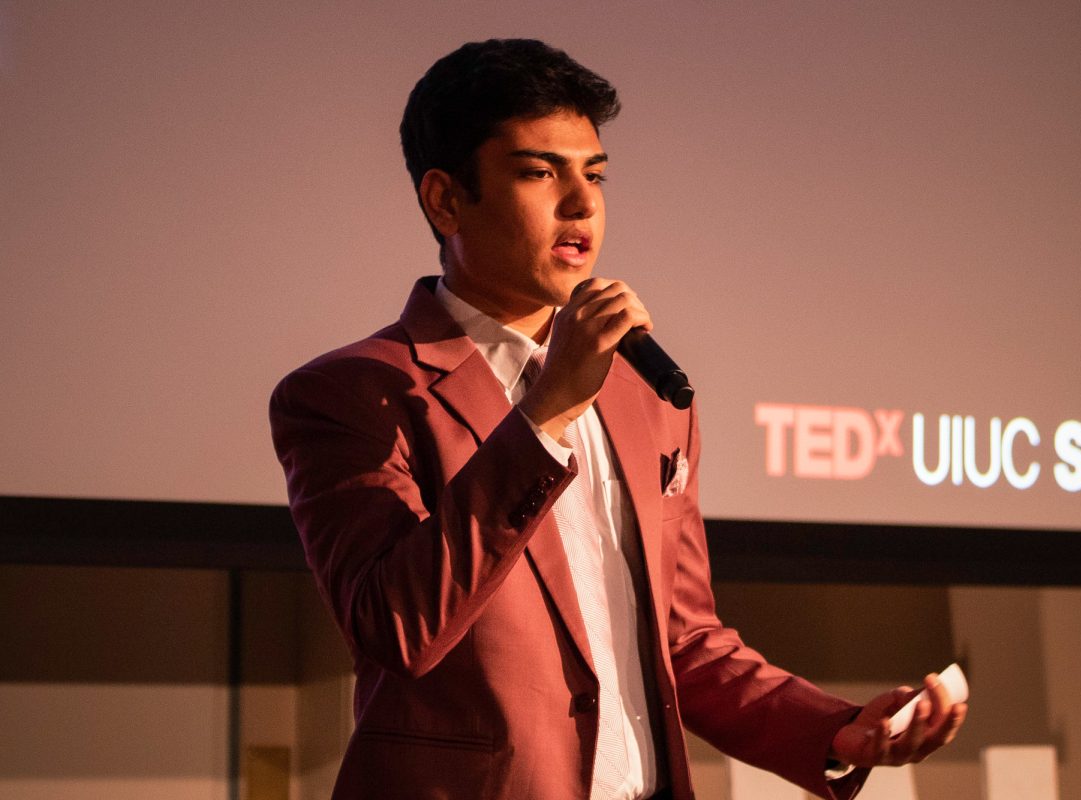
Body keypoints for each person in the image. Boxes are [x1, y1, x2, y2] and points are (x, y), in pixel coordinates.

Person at [269, 38, 966, 800]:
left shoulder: (646, 395)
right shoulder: (352, 393)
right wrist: (544, 414)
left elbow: (686, 640)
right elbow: (397, 627)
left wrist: (834, 729)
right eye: (540, 172)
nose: (583, 204)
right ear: (445, 199)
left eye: (594, 174)